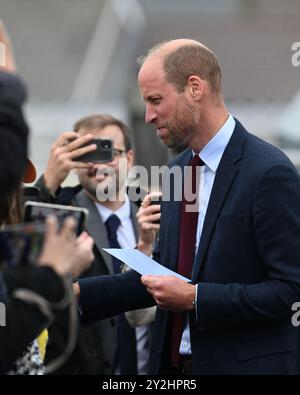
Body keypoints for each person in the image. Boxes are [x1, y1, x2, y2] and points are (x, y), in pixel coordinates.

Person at [74, 39, 300, 375]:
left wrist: (196, 298)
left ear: (195, 88)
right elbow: (165, 276)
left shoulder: (269, 172)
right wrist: (72, 293)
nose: (148, 116)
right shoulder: (178, 170)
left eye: (155, 100)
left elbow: (290, 291)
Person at [39, 115, 156, 375]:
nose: (96, 164)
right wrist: (48, 181)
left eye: (106, 152)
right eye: (85, 153)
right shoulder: (58, 216)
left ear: (129, 158)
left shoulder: (157, 214)